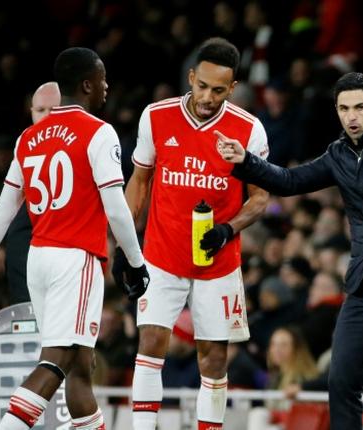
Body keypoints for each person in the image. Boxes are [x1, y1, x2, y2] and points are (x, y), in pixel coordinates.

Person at [217, 72, 363, 430]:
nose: (351, 116)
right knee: (340, 379)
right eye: (344, 108)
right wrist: (245, 161)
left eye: (359, 107)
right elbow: (291, 181)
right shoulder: (339, 154)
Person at [0, 47, 149, 430]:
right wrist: (137, 261)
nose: (108, 86)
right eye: (103, 78)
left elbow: (2, 212)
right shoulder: (98, 131)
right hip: (75, 259)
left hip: (37, 261)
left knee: (80, 364)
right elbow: (116, 207)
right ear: (88, 84)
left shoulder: (29, 138)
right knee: (57, 360)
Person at [122, 37, 269, 430]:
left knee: (214, 359)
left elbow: (259, 199)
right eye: (201, 85)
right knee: (151, 343)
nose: (207, 96)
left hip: (216, 261)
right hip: (161, 254)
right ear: (191, 77)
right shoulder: (155, 117)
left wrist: (227, 229)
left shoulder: (248, 130)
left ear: (232, 88)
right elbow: (139, 180)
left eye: (218, 90)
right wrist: (123, 241)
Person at [5, 81, 61, 304]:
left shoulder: (91, 139)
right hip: (31, 234)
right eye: (40, 111)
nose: (47, 117)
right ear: (31, 112)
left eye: (54, 110)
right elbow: (5, 209)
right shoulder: (25, 143)